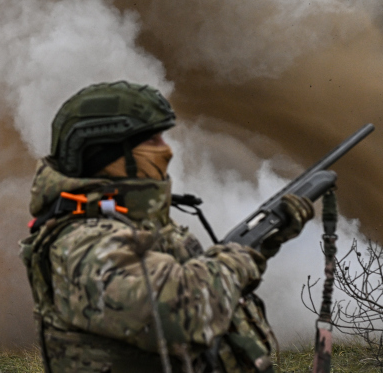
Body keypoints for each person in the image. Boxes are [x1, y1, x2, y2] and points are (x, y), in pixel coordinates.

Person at [20, 81, 314, 373]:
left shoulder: (132, 223)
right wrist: (239, 259)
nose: (167, 151)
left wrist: (262, 242)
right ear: (107, 154)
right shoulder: (83, 243)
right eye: (152, 141)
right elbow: (183, 311)